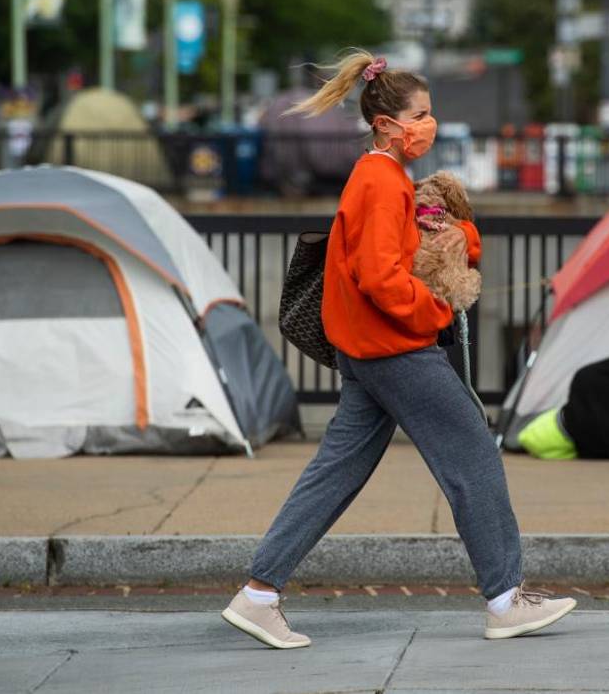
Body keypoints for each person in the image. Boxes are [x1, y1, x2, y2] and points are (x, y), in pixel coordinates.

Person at [221, 50, 576, 649]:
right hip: (396, 349)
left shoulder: (374, 175)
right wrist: (436, 310)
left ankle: (259, 594)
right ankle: (504, 599)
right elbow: (381, 276)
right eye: (421, 114)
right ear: (387, 123)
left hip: (366, 350)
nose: (429, 125)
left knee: (337, 472)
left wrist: (453, 234)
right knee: (473, 459)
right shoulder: (383, 181)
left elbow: (389, 255)